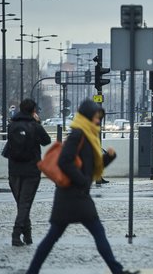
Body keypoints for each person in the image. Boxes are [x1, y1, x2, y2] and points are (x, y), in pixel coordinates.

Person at [26, 100, 138, 274]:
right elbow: (64, 161)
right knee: (92, 233)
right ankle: (117, 271)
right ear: (87, 116)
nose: (98, 121)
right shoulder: (78, 134)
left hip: (72, 195)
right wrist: (82, 181)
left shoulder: (88, 135)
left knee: (54, 237)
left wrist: (108, 158)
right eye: (95, 116)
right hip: (73, 195)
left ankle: (32, 272)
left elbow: (90, 168)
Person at [7, 99, 51, 246]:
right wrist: (38, 123)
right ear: (33, 111)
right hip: (31, 170)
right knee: (25, 204)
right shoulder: (34, 126)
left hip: (13, 170)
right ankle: (16, 234)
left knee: (21, 204)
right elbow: (46, 141)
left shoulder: (11, 125)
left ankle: (27, 235)